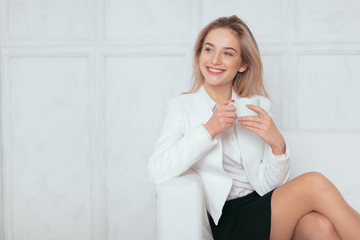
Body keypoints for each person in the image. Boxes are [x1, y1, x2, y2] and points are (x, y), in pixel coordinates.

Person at [148, 15, 360, 240]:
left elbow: (269, 186)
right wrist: (208, 130)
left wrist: (277, 144)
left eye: (227, 53)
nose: (215, 60)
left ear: (242, 64)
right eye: (209, 50)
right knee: (314, 183)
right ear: (199, 54)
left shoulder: (256, 106)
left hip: (259, 205)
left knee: (320, 226)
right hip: (228, 220)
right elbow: (157, 171)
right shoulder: (180, 107)